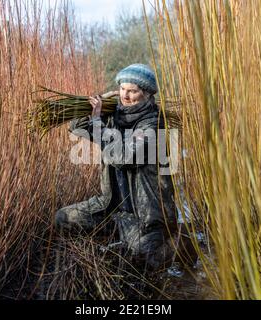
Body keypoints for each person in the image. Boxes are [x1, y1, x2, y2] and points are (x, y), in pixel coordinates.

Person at [55, 63, 177, 271]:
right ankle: (118, 238)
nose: (125, 95)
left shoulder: (153, 125)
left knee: (144, 259)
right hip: (111, 208)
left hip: (144, 214)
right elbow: (77, 128)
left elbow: (123, 157)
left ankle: (177, 242)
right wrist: (97, 105)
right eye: (122, 88)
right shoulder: (113, 115)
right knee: (63, 218)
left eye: (132, 91)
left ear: (147, 94)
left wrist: (97, 123)